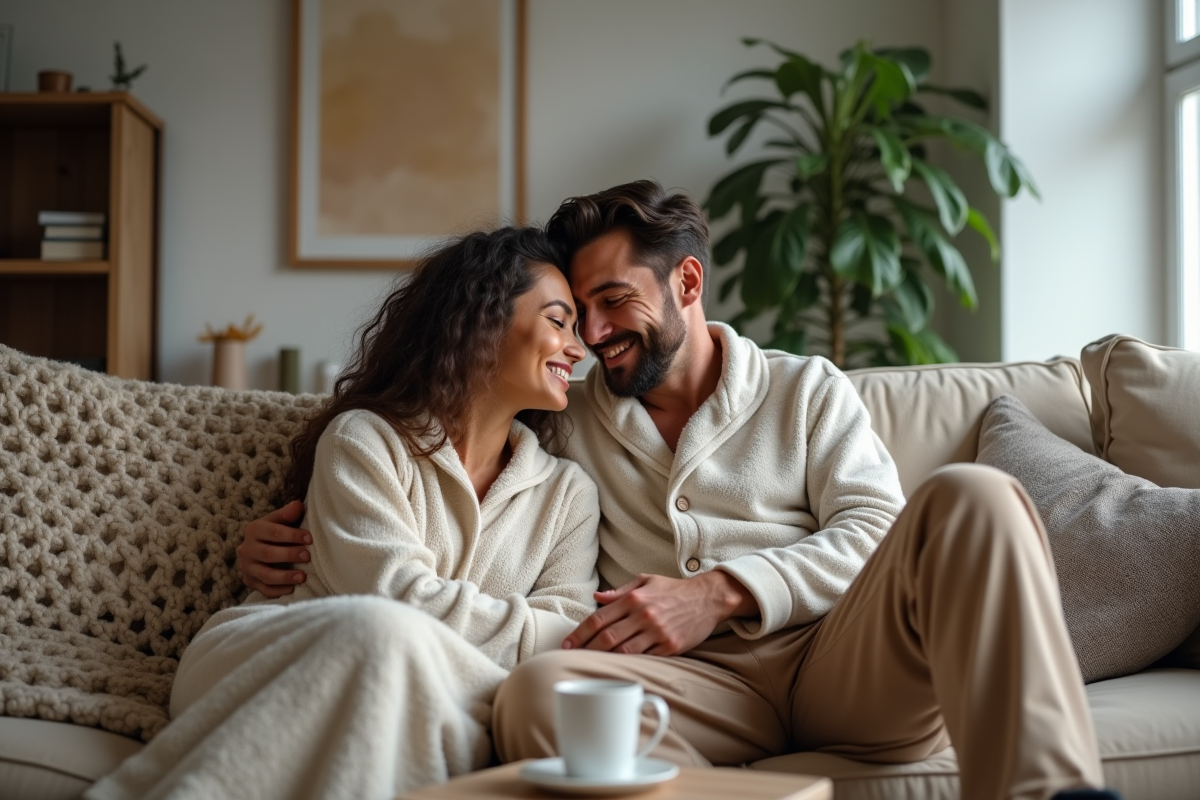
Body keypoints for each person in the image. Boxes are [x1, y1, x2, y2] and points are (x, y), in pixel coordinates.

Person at [240, 183, 1119, 800]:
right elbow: (446, 434)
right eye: (575, 311)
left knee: (976, 497)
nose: (591, 334)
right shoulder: (567, 413)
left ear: (687, 283)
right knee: (542, 697)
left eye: (614, 300)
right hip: (690, 694)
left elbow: (877, 530)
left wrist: (723, 591)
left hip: (842, 666)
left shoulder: (804, 388)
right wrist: (275, 544)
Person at [87, 227, 600, 800]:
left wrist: (463, 644)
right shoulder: (367, 439)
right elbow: (395, 599)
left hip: (441, 692)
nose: (579, 348)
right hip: (272, 652)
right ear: (481, 320)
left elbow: (577, 639)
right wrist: (518, 637)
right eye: (559, 322)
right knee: (382, 630)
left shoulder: (568, 495)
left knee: (394, 648)